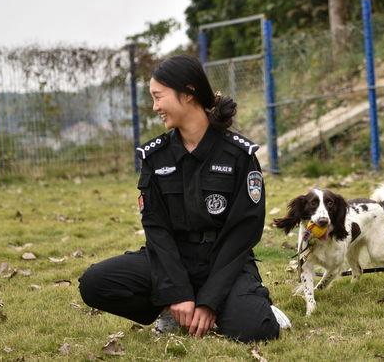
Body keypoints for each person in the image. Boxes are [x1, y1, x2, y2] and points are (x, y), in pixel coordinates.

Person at [79, 55, 290, 342]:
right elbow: (157, 230)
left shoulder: (238, 155)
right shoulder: (155, 157)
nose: (155, 107)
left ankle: (240, 307)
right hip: (172, 260)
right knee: (95, 284)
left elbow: (243, 232)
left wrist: (209, 300)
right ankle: (171, 310)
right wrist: (176, 292)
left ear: (188, 93)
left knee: (257, 328)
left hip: (223, 262)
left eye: (158, 97)